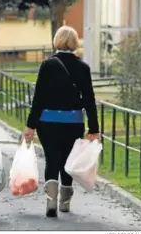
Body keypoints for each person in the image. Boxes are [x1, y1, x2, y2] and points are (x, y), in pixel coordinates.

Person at [23, 26, 100, 218]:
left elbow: (38, 98)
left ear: (56, 41)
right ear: (74, 43)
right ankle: (65, 201)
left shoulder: (47, 65)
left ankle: (51, 201)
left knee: (52, 159)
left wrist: (30, 125)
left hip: (48, 121)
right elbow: (89, 99)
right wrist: (94, 127)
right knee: (68, 160)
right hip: (73, 121)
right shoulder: (83, 68)